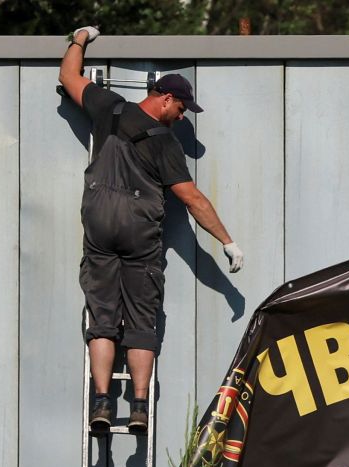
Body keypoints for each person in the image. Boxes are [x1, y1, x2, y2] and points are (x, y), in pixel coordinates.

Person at [59, 25, 245, 432]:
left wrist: (79, 39)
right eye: (182, 110)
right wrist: (228, 242)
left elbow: (68, 77)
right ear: (165, 99)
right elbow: (192, 199)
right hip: (139, 236)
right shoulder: (165, 144)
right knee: (142, 322)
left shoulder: (109, 108)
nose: (182, 118)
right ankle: (139, 406)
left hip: (99, 227)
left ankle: (102, 403)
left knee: (103, 319)